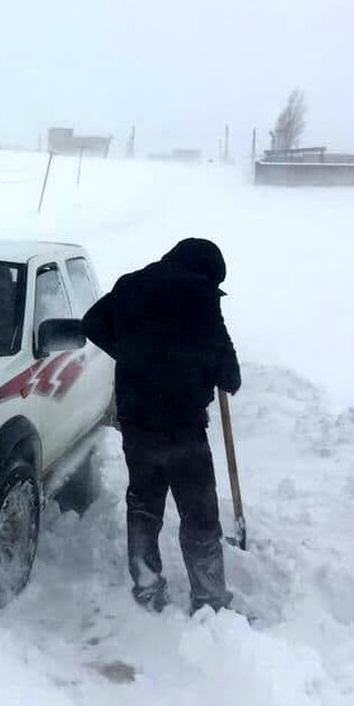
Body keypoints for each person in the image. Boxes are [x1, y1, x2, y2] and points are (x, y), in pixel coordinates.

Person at [81, 238, 241, 613]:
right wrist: (217, 373)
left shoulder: (131, 284)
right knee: (199, 514)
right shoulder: (201, 299)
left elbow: (92, 322)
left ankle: (148, 589)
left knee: (144, 504)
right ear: (205, 274)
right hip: (182, 425)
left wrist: (133, 353)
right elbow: (226, 367)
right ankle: (209, 599)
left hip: (137, 421)